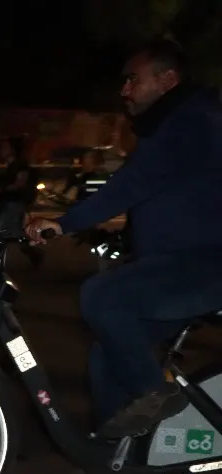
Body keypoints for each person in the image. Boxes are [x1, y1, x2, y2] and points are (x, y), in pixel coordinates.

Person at [26, 38, 222, 437]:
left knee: (102, 296)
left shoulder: (192, 120)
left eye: (133, 80)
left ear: (167, 80)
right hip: (177, 266)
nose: (124, 90)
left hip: (204, 264)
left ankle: (158, 395)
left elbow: (134, 184)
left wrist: (65, 222)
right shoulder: (177, 122)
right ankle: (115, 464)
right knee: (108, 354)